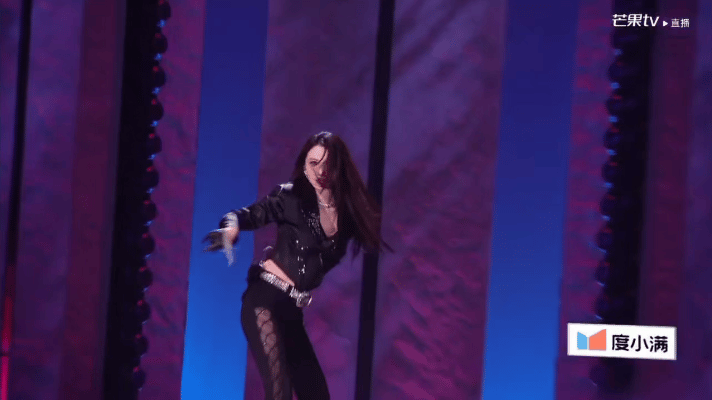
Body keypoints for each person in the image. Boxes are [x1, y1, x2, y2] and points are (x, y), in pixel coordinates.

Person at [203, 131, 390, 400]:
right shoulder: (290, 197)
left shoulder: (348, 217)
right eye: (313, 163)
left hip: (292, 309)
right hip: (264, 301)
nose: (320, 171)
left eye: (327, 164)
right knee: (279, 393)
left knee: (317, 395)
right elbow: (248, 215)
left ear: (338, 166)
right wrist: (231, 230)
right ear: (304, 166)